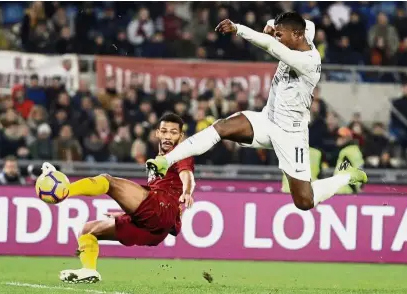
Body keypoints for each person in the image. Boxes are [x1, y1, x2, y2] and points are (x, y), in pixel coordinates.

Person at [147, 12, 367, 212]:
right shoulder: (303, 30)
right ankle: (165, 161)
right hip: (267, 120)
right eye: (278, 35)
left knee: (304, 201)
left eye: (282, 35)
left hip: (291, 134)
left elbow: (272, 46)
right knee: (222, 126)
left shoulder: (307, 61)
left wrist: (239, 28)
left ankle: (347, 176)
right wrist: (272, 25)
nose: (279, 38)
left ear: (298, 35)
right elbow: (293, 24)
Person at [42, 113, 195, 284]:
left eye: (173, 132)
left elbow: (186, 174)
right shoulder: (158, 160)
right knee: (87, 231)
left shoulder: (181, 153)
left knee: (108, 181)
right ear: (157, 133)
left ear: (181, 136)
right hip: (154, 228)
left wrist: (187, 191)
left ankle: (65, 190)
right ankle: (88, 270)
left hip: (161, 208)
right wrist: (125, 214)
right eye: (164, 131)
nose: (168, 136)